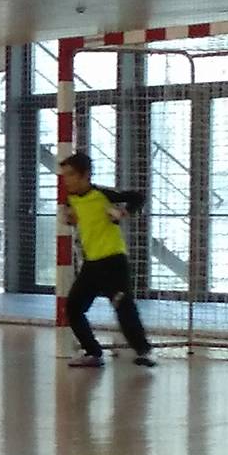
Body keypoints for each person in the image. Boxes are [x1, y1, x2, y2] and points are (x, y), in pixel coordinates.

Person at [58, 152, 156, 368]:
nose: (66, 180)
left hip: (113, 261)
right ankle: (93, 353)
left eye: (71, 174)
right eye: (64, 175)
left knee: (123, 305)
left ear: (85, 175)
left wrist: (123, 212)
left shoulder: (103, 194)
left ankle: (145, 351)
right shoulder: (70, 198)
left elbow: (138, 198)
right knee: (73, 308)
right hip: (91, 264)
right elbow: (74, 216)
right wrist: (70, 218)